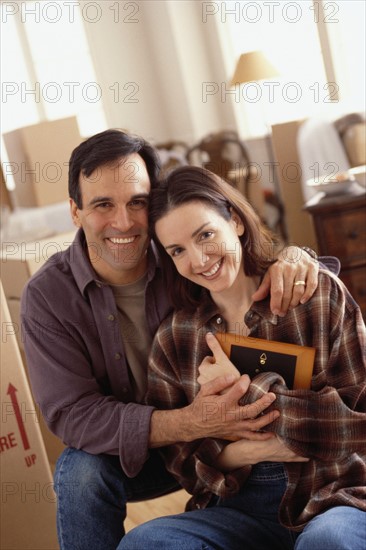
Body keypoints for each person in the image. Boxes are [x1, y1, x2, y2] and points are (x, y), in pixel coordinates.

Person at [21, 129, 332, 550]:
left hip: (216, 444)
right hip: (139, 452)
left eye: (137, 202)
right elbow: (72, 414)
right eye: (102, 205)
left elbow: (240, 254)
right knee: (80, 472)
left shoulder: (183, 256)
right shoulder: (46, 297)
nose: (124, 221)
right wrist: (192, 422)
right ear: (74, 211)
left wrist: (299, 257)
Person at [118, 166, 366, 550]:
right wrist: (244, 452)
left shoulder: (314, 297)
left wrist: (246, 391)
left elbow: (358, 422)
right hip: (237, 509)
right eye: (178, 250)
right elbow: (181, 462)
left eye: (206, 235)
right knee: (145, 542)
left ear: (234, 220)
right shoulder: (176, 337)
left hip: (331, 495)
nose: (199, 260)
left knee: (329, 541)